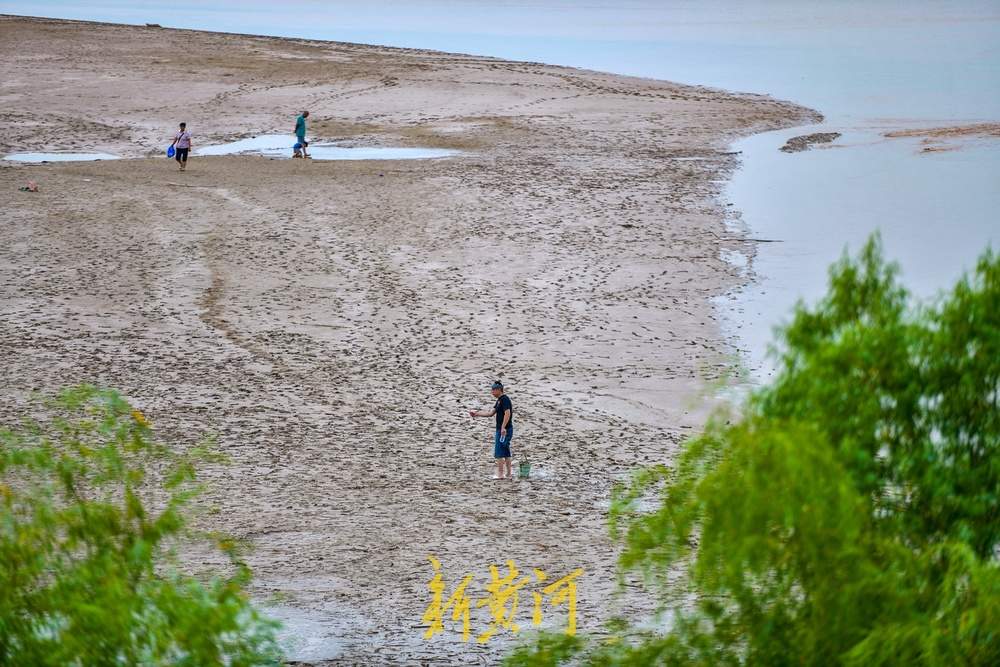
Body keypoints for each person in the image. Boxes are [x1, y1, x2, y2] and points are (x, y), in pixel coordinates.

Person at [469, 381, 514, 479]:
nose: (492, 392)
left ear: (499, 390)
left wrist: (503, 427)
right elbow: (490, 413)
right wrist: (477, 413)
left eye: (493, 390)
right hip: (502, 429)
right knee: (505, 451)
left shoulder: (504, 399)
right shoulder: (499, 400)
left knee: (499, 452)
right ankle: (508, 474)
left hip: (504, 430)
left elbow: (508, 413)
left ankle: (501, 474)